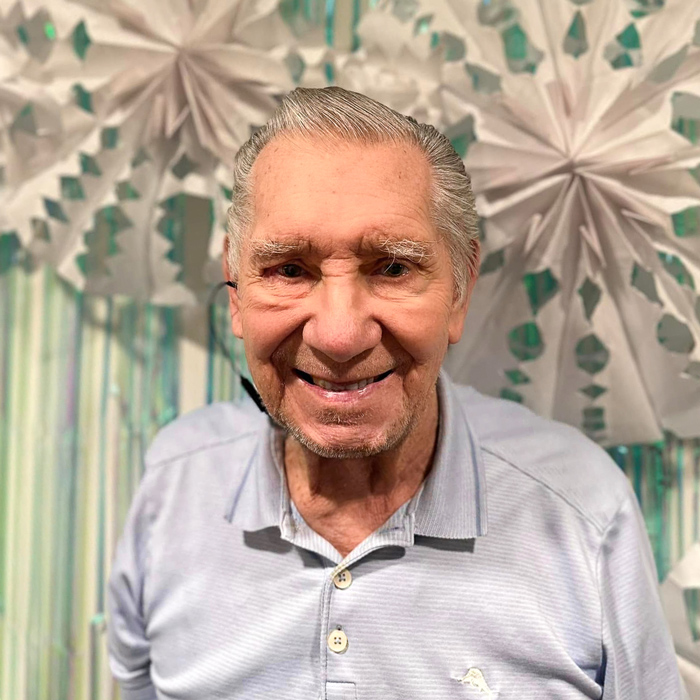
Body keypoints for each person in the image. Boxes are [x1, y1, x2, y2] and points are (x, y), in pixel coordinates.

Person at [107, 86, 687, 700]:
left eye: (392, 268)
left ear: (460, 289)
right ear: (234, 291)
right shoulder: (173, 488)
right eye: (289, 269)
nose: (338, 335)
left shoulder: (581, 512)